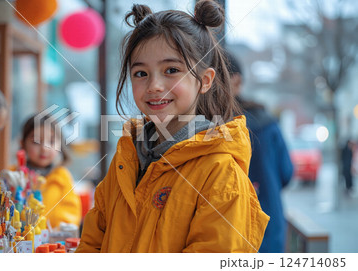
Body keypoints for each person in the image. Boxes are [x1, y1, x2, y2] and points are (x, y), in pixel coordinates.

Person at [76, 1, 269, 253]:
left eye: (171, 70)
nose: (154, 85)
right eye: (141, 73)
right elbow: (92, 243)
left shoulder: (221, 174)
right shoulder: (127, 159)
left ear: (205, 80)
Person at [227, 52, 293, 252]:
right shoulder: (267, 122)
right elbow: (286, 173)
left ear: (236, 81)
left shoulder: (207, 128)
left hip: (227, 235)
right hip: (268, 227)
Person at [18, 115, 81, 228]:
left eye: (51, 142)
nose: (44, 148)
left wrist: (61, 228)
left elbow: (72, 211)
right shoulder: (15, 175)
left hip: (54, 240)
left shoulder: (62, 175)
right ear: (22, 144)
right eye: (36, 142)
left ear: (59, 145)